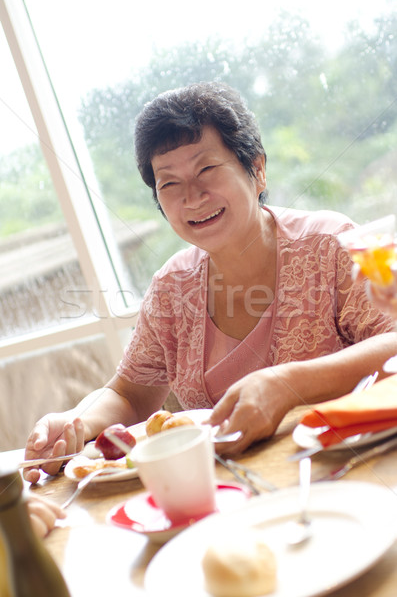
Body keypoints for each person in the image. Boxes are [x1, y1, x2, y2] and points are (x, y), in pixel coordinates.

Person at [24, 82, 397, 484]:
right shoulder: (173, 286)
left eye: (206, 169)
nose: (193, 196)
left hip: (348, 471)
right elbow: (128, 395)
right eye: (169, 183)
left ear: (256, 169)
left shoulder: (328, 245)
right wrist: (74, 420)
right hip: (229, 488)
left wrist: (290, 384)